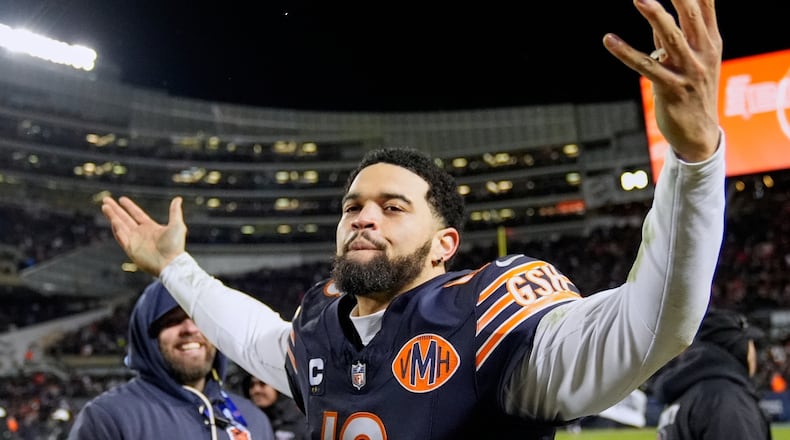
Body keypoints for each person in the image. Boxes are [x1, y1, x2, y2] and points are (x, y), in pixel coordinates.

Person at [100, 0, 726, 437]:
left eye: (393, 206)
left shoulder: (486, 317)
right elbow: (248, 333)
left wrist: (694, 161)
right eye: (352, 206)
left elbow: (651, 325)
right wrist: (175, 267)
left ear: (443, 244)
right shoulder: (320, 326)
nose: (363, 218)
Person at [68, 281, 275, 440]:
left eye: (199, 319)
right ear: (149, 337)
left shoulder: (253, 419)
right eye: (173, 320)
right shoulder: (109, 417)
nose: (190, 329)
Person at [654, 308, 772, 439]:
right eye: (750, 343)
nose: (754, 352)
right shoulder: (726, 399)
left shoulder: (685, 395)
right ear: (738, 347)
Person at [242, 374, 309, 440]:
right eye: (251, 385)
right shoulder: (247, 423)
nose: (256, 390)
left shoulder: (302, 417)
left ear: (277, 387)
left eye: (263, 383)